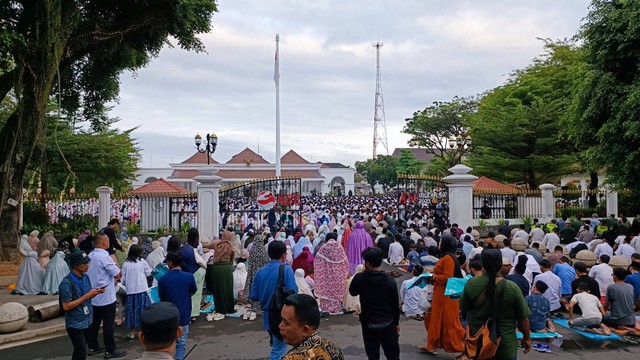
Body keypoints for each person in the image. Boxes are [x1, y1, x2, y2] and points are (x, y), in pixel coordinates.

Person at [460, 249, 532, 359]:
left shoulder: (471, 284)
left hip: (480, 341)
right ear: (501, 265)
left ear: (483, 264)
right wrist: (527, 339)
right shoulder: (512, 288)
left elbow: (464, 308)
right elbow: (523, 318)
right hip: (505, 342)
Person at [250, 240, 298, 360]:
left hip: (267, 317)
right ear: (283, 255)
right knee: (278, 350)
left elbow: (253, 295)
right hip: (281, 316)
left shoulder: (260, 272)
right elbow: (294, 292)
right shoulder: (286, 270)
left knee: (278, 345)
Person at [349, 247, 400, 360]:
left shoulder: (360, 278)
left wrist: (362, 274)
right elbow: (395, 305)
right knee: (393, 355)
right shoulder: (389, 281)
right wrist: (396, 323)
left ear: (367, 263)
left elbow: (352, 292)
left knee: (372, 355)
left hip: (368, 323)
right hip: (388, 323)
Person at [419, 234, 464, 355]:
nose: (438, 243)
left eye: (440, 242)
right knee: (434, 319)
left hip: (445, 295)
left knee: (447, 321)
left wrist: (434, 276)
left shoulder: (448, 259)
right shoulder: (447, 258)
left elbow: (447, 277)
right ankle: (432, 344)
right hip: (441, 293)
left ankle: (463, 346)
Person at [86, 232, 126, 358]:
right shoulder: (105, 257)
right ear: (104, 242)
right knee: (108, 323)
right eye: (108, 239)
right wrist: (118, 272)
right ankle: (110, 349)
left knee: (95, 322)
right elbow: (117, 274)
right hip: (105, 296)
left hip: (93, 295)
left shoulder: (90, 255)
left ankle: (92, 346)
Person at [59, 252, 105, 360]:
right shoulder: (66, 283)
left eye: (87, 262)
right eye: (83, 263)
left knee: (80, 350)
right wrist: (87, 296)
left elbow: (87, 295)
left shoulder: (85, 277)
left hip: (87, 320)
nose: (87, 265)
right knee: (81, 352)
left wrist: (95, 293)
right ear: (75, 265)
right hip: (75, 323)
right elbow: (66, 306)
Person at [280, 294, 344, 360]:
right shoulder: (334, 348)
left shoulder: (292, 358)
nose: (280, 326)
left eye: (286, 323)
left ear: (305, 330)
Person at [158, 251, 197, 360]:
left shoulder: (163, 279)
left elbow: (161, 297)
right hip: (184, 315)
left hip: (168, 316)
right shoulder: (189, 276)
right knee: (181, 343)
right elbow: (193, 291)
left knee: (167, 343)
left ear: (170, 263)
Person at [121, 244, 152, 340]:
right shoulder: (142, 262)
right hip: (142, 290)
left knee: (131, 312)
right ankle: (145, 332)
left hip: (131, 291)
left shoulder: (126, 263)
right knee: (144, 311)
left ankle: (131, 333)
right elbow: (149, 273)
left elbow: (123, 279)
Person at [313, 232, 349, 314]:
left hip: (326, 275)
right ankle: (336, 308)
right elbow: (345, 262)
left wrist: (323, 271)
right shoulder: (339, 247)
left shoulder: (324, 247)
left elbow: (317, 261)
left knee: (327, 291)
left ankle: (326, 308)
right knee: (336, 291)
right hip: (338, 275)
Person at [205, 228, 236, 316]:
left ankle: (220, 308)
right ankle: (229, 308)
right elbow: (231, 261)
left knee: (217, 288)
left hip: (216, 268)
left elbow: (207, 246)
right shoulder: (231, 247)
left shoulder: (216, 244)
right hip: (226, 268)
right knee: (227, 288)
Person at [182, 228, 206, 322]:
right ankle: (194, 313)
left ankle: (191, 313)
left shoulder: (185, 246)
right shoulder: (198, 244)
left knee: (190, 293)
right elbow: (201, 256)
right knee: (197, 292)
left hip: (193, 270)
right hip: (199, 269)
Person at [244, 235, 270, 315]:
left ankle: (255, 305)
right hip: (263, 275)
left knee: (254, 289)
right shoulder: (264, 252)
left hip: (253, 273)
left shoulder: (252, 252)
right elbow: (267, 263)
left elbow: (250, 264)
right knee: (262, 289)